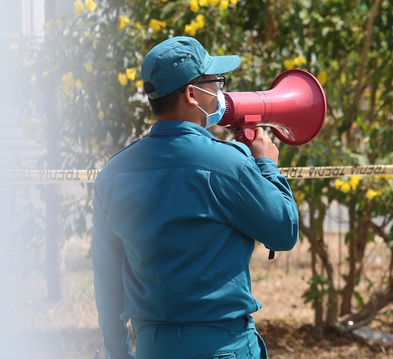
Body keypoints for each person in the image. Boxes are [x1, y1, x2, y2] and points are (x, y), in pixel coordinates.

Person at [92, 36, 299, 358]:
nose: (220, 93)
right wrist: (267, 165)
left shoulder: (114, 173)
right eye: (215, 83)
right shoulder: (228, 163)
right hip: (222, 345)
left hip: (152, 346)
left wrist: (118, 352)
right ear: (192, 93)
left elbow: (106, 275)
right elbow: (284, 231)